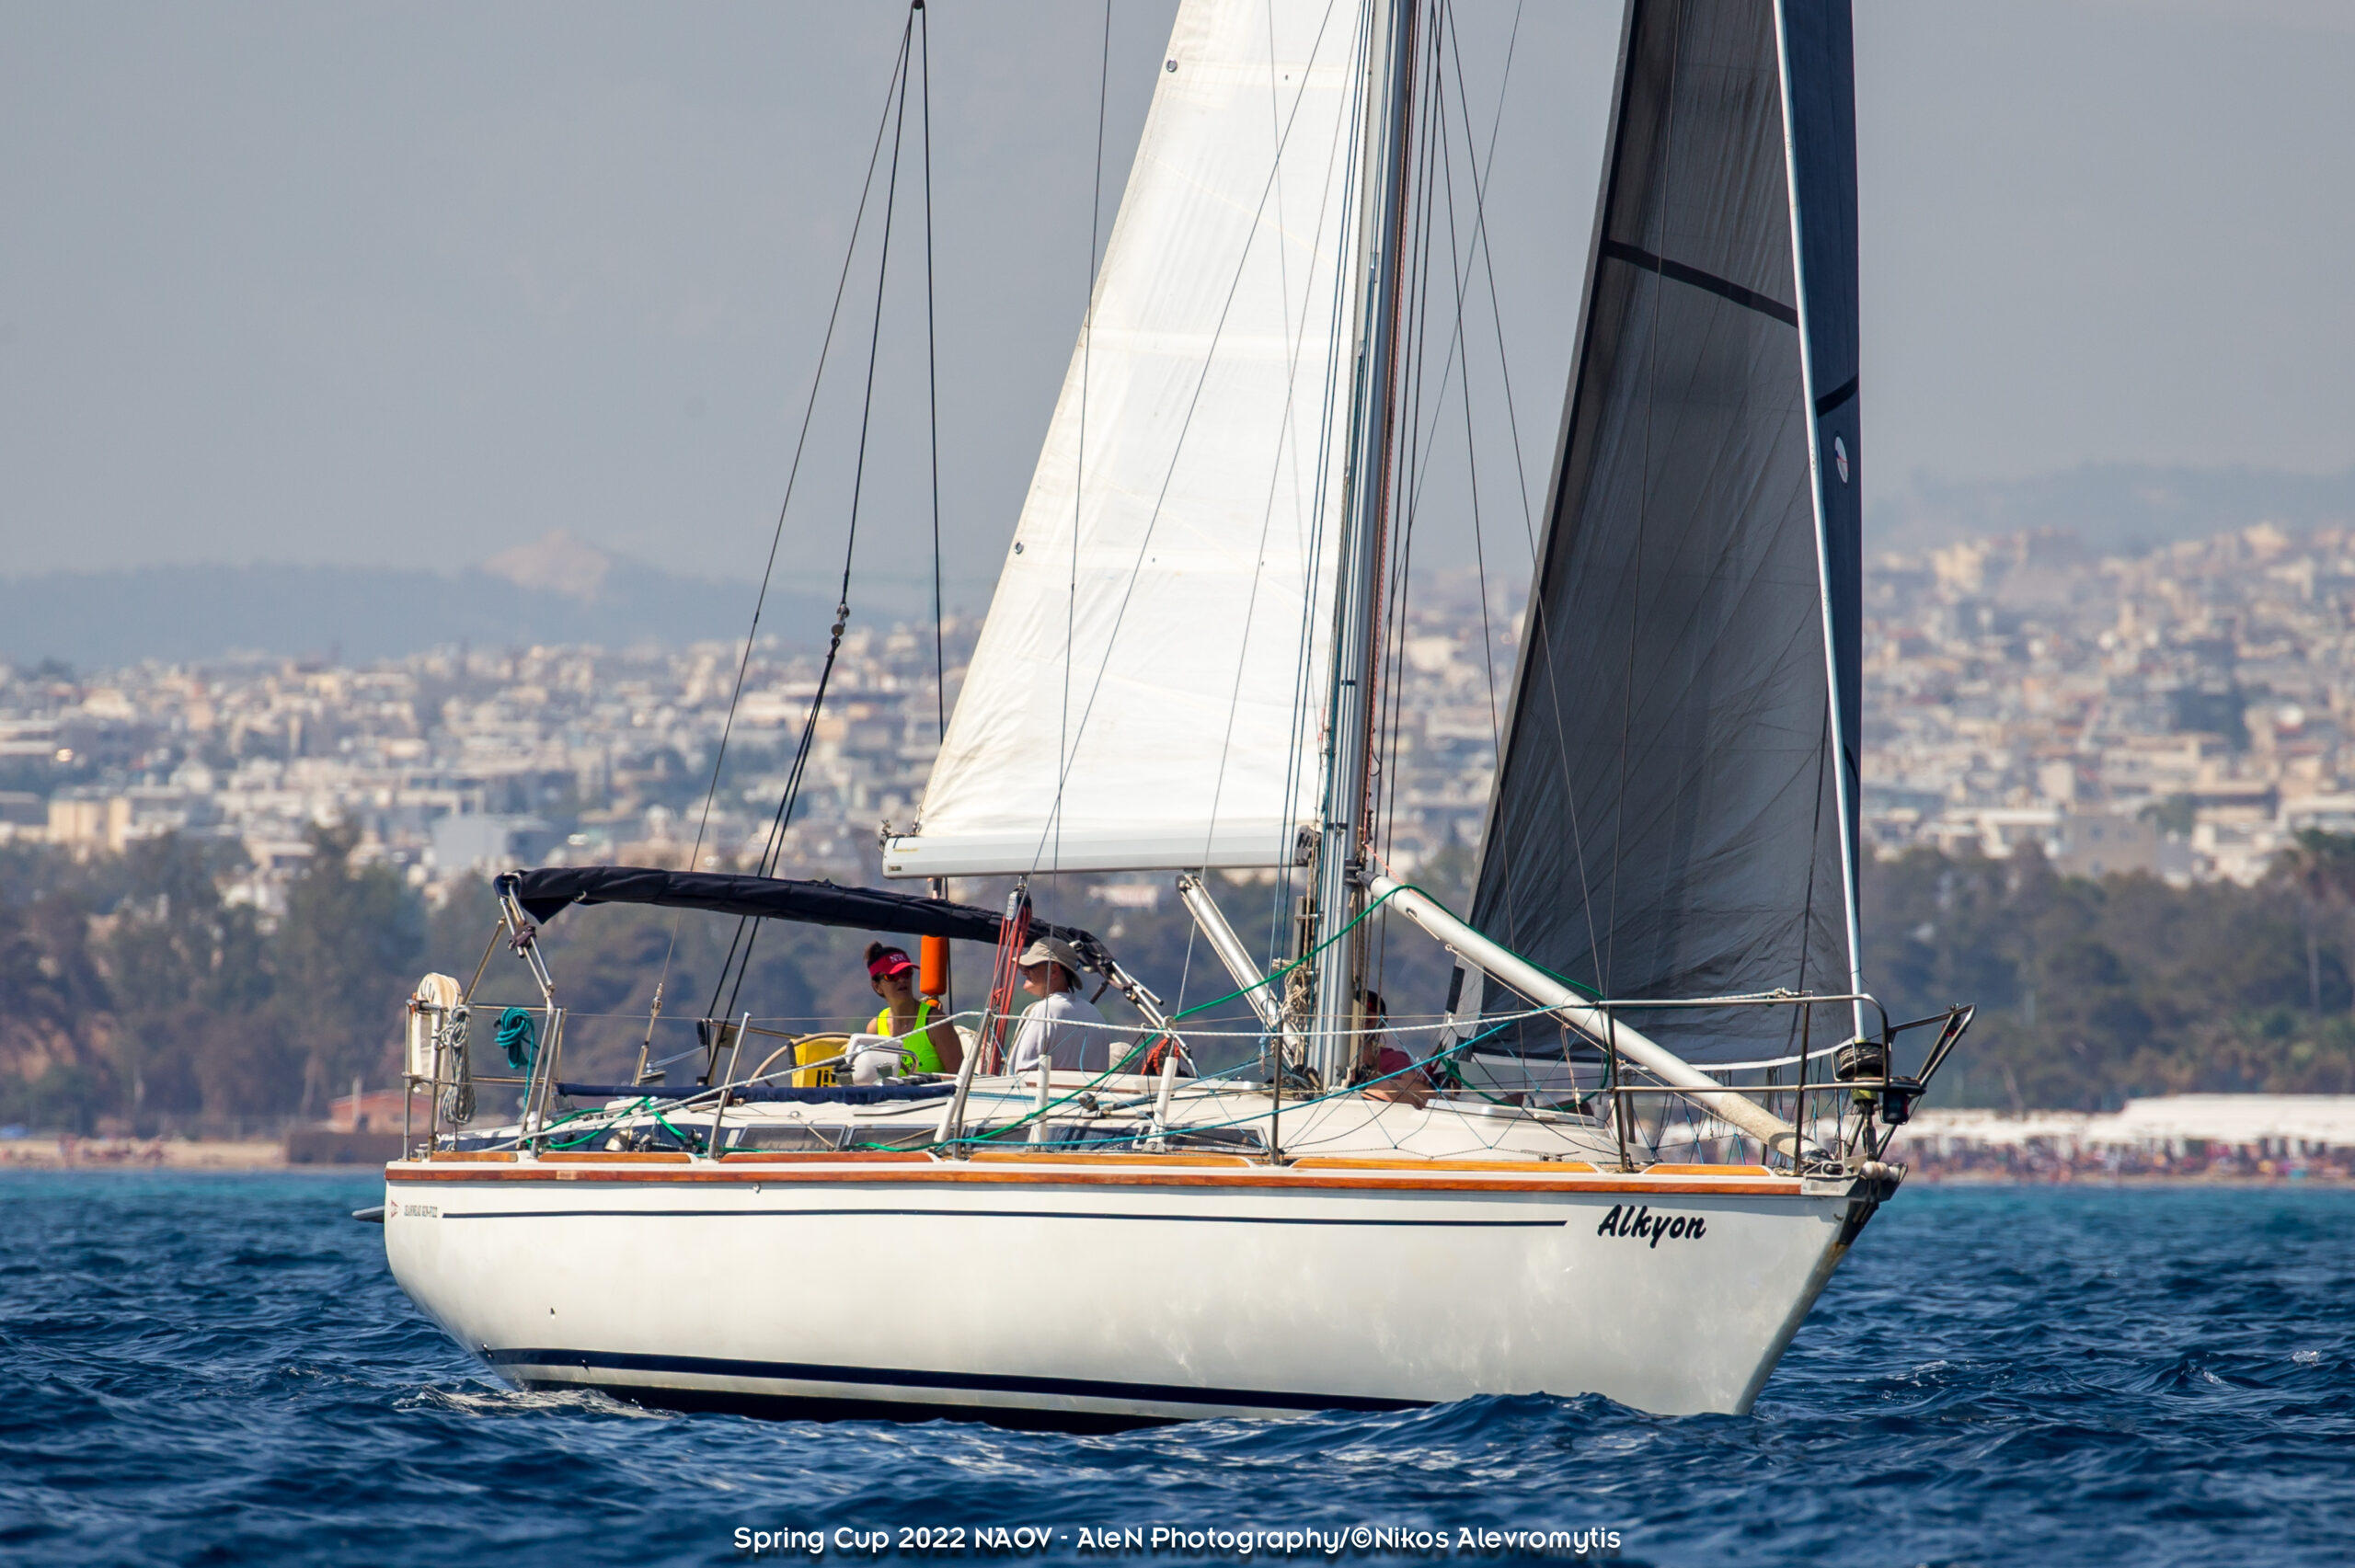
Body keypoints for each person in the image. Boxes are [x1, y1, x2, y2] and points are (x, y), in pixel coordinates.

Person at [1005, 936, 1110, 1073]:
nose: (1023, 971)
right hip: (1086, 1094)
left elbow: (1020, 1072)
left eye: (1030, 966)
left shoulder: (1043, 1010)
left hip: (1039, 1094)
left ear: (1054, 970)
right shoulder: (1095, 1014)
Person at [864, 942, 962, 1076]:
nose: (902, 980)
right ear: (877, 987)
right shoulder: (874, 1028)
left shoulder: (936, 1024)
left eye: (906, 972)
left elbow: (961, 1082)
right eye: (892, 976)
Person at [1352, 988, 1431, 1108]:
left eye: (1372, 1007)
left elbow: (1412, 1080)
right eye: (1360, 1005)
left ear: (1384, 1020)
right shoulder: (1327, 1054)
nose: (1365, 1011)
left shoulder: (1393, 1059)